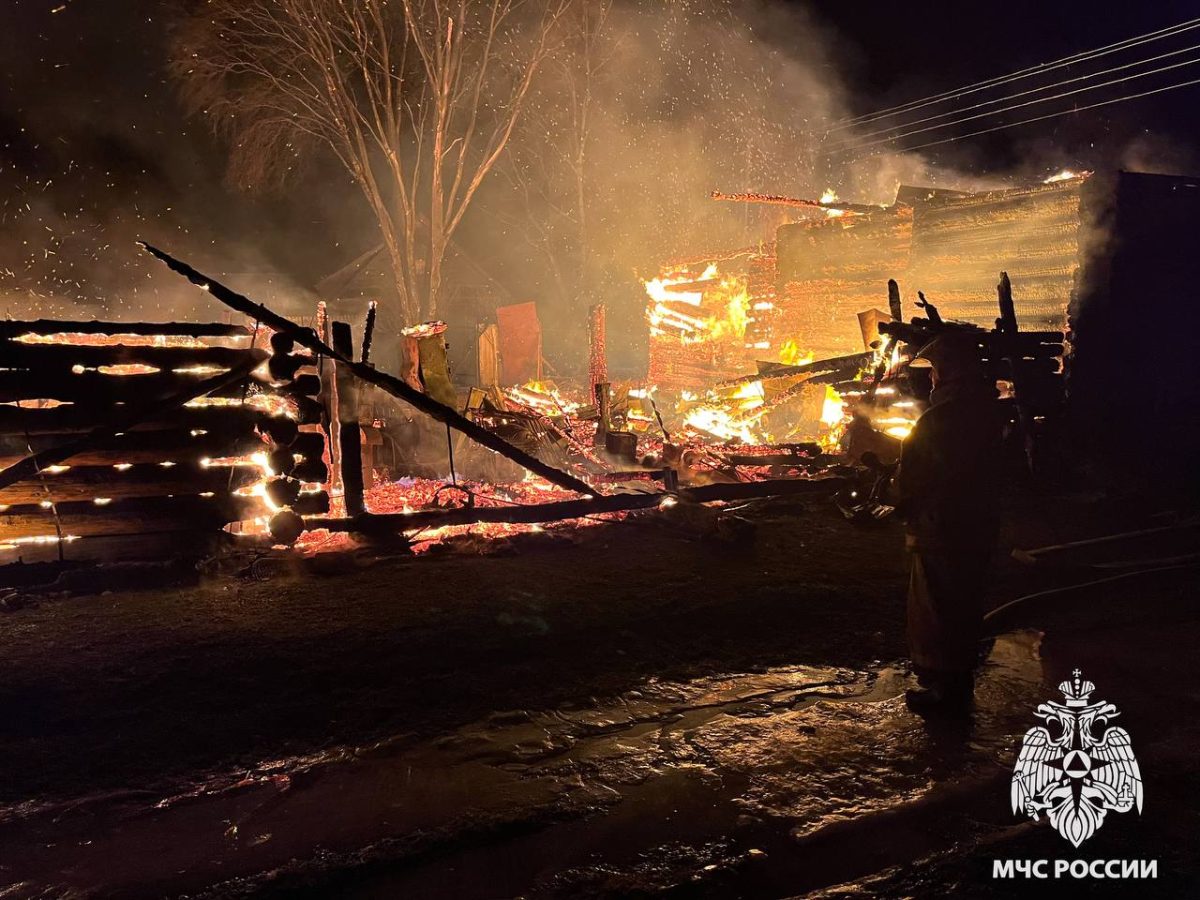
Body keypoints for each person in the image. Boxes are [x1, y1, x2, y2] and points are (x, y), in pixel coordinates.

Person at [897, 331, 1005, 716]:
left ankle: (946, 690)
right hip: (976, 524)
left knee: (938, 608)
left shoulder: (941, 419)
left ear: (949, 373)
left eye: (936, 371)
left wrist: (898, 501)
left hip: (942, 527)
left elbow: (914, 476)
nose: (931, 379)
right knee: (963, 602)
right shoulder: (988, 412)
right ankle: (953, 683)